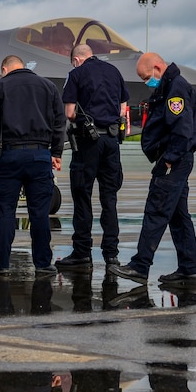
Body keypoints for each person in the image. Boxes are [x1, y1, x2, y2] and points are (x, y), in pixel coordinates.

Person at [110, 52, 196, 286]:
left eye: (146, 77)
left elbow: (182, 129)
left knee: (156, 210)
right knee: (179, 217)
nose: (146, 82)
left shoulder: (176, 89)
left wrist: (170, 158)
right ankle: (189, 270)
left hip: (173, 160)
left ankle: (140, 266)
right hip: (176, 159)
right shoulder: (170, 87)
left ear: (157, 68)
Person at [0, 54, 65, 275]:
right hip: (40, 156)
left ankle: (0, 264)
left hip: (8, 156)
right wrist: (56, 152)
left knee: (5, 211)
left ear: (4, 69)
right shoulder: (48, 87)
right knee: (39, 212)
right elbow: (59, 122)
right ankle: (43, 263)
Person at [57, 44, 129, 270]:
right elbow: (122, 109)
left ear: (77, 59)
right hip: (111, 141)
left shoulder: (76, 74)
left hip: (88, 142)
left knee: (82, 195)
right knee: (109, 199)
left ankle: (82, 253)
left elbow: (69, 112)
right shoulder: (114, 72)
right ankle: (111, 256)